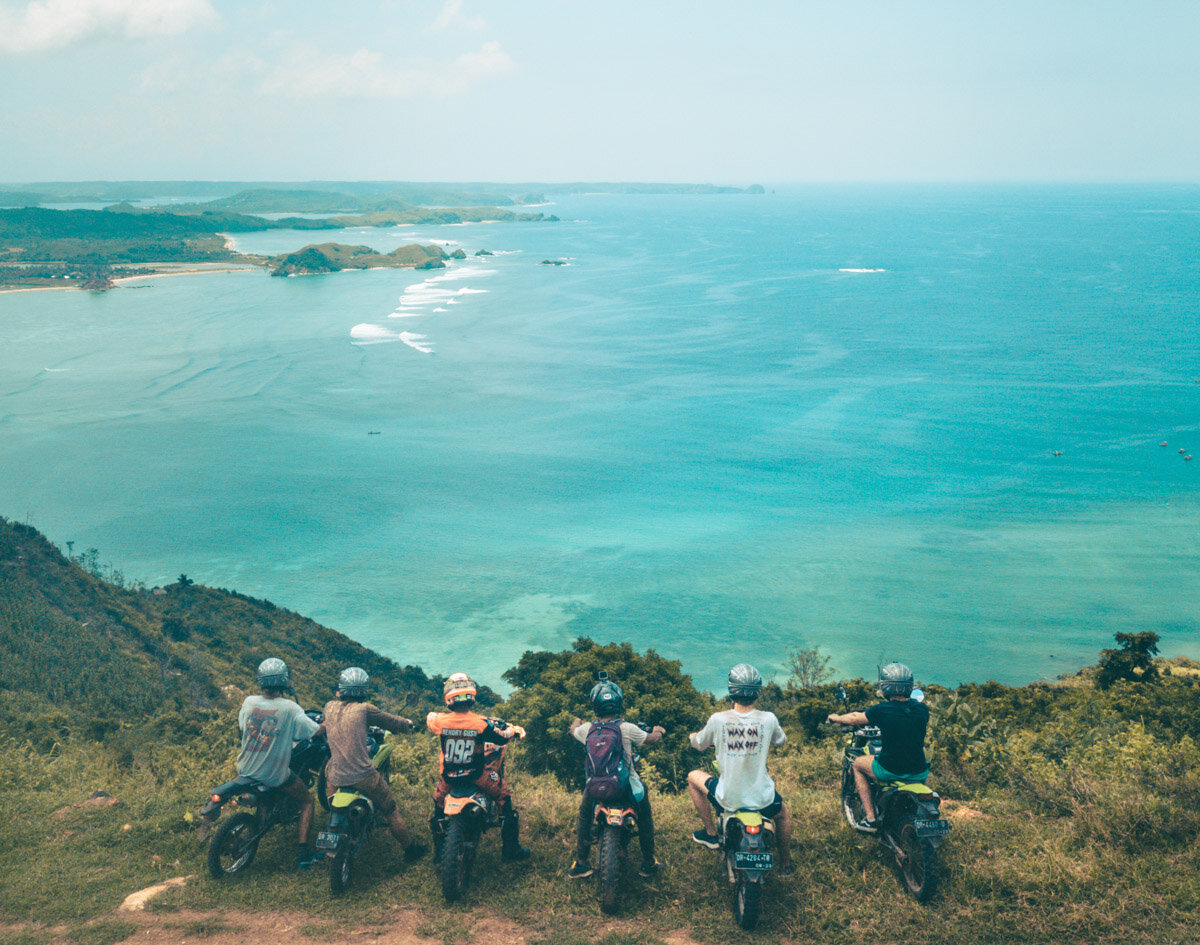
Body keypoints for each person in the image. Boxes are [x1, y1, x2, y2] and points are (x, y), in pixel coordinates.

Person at [686, 663, 793, 872]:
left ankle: (710, 834)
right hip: (763, 799)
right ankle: (786, 864)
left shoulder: (718, 720)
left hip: (729, 798)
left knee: (693, 777)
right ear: (757, 691)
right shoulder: (768, 719)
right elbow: (781, 741)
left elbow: (698, 743)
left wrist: (692, 738)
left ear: (731, 690)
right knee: (782, 816)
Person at [322, 666, 427, 861]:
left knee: (333, 807)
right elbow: (392, 722)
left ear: (342, 689)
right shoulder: (365, 709)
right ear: (363, 690)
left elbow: (324, 725)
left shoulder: (329, 706)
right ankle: (411, 850)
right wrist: (409, 724)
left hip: (335, 776)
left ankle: (333, 837)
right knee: (391, 809)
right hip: (363, 777)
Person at [567, 675, 666, 880]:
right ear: (618, 703)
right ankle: (649, 863)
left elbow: (572, 729)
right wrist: (659, 730)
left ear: (595, 705)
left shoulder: (587, 730)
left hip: (595, 787)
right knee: (645, 817)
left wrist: (577, 720)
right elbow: (652, 739)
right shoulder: (628, 729)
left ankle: (581, 863)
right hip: (626, 787)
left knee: (585, 816)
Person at [426, 672, 531, 862]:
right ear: (471, 696)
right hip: (478, 775)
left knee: (438, 804)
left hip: (448, 777)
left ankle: (438, 851)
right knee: (503, 796)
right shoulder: (480, 724)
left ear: (448, 698)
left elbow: (430, 718)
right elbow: (502, 736)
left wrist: (433, 715)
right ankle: (510, 850)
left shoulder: (440, 722)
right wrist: (514, 730)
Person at [231, 658, 322, 869]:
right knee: (308, 801)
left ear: (261, 681)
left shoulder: (249, 702)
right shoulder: (290, 708)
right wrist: (325, 726)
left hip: (244, 768)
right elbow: (313, 732)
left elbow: (243, 728)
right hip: (273, 773)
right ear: (284, 681)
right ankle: (303, 854)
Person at [826, 661, 929, 832]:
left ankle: (871, 818)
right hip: (919, 770)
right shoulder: (922, 709)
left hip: (891, 768)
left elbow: (854, 718)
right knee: (919, 765)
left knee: (858, 764)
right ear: (909, 686)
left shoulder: (882, 710)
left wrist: (835, 717)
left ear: (886, 687)